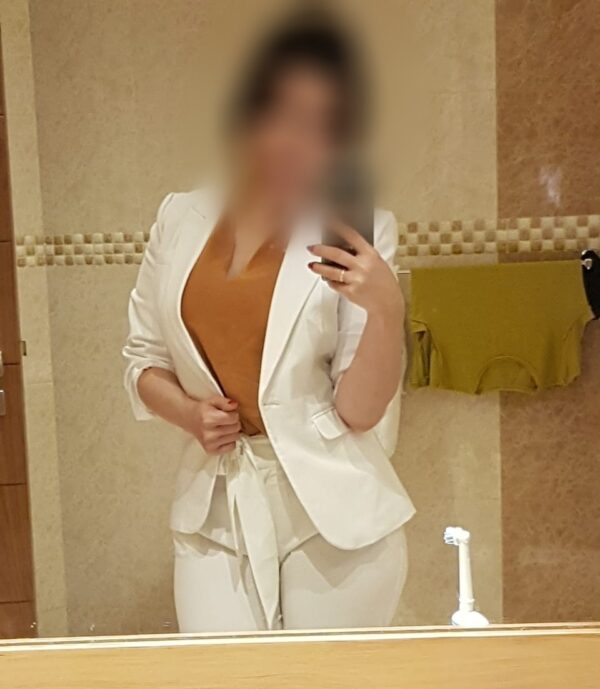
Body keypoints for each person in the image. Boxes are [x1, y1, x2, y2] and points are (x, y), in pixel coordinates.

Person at [123, 8, 415, 632]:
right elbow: (142, 361)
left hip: (333, 513)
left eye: (322, 126)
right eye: (282, 114)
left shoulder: (359, 228)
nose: (296, 141)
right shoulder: (180, 218)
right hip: (215, 505)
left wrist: (386, 309)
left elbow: (358, 411)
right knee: (225, 686)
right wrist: (190, 415)